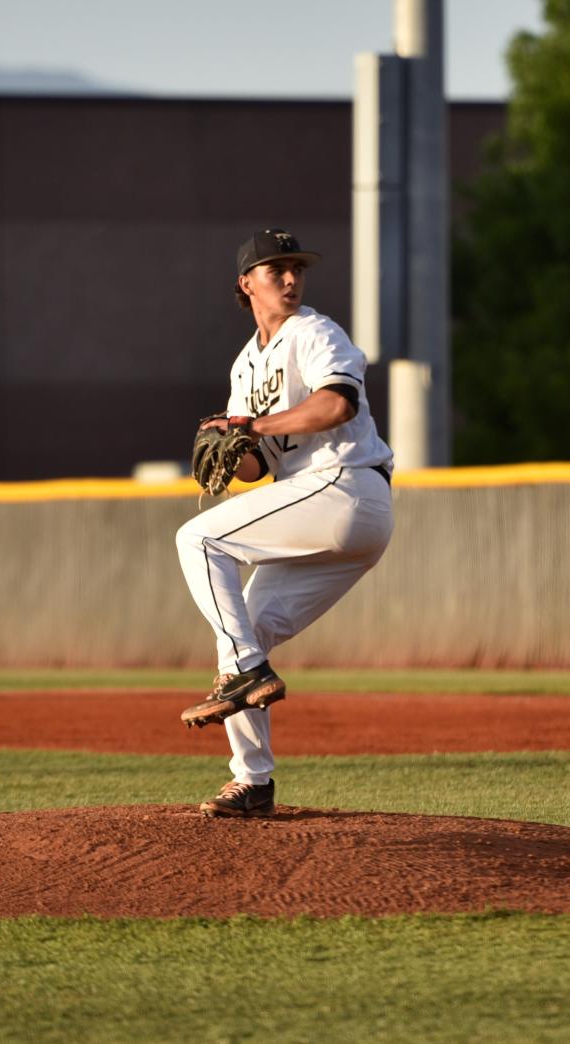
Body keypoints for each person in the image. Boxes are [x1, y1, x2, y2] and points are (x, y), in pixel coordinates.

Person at [175, 227, 395, 818]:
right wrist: (233, 445)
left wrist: (254, 428)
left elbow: (337, 404)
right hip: (320, 502)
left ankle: (247, 672)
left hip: (347, 487)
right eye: (278, 270)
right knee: (240, 632)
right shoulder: (246, 364)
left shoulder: (315, 332)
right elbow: (257, 466)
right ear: (247, 284)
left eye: (297, 268)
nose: (292, 279)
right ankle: (253, 783)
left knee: (196, 537)